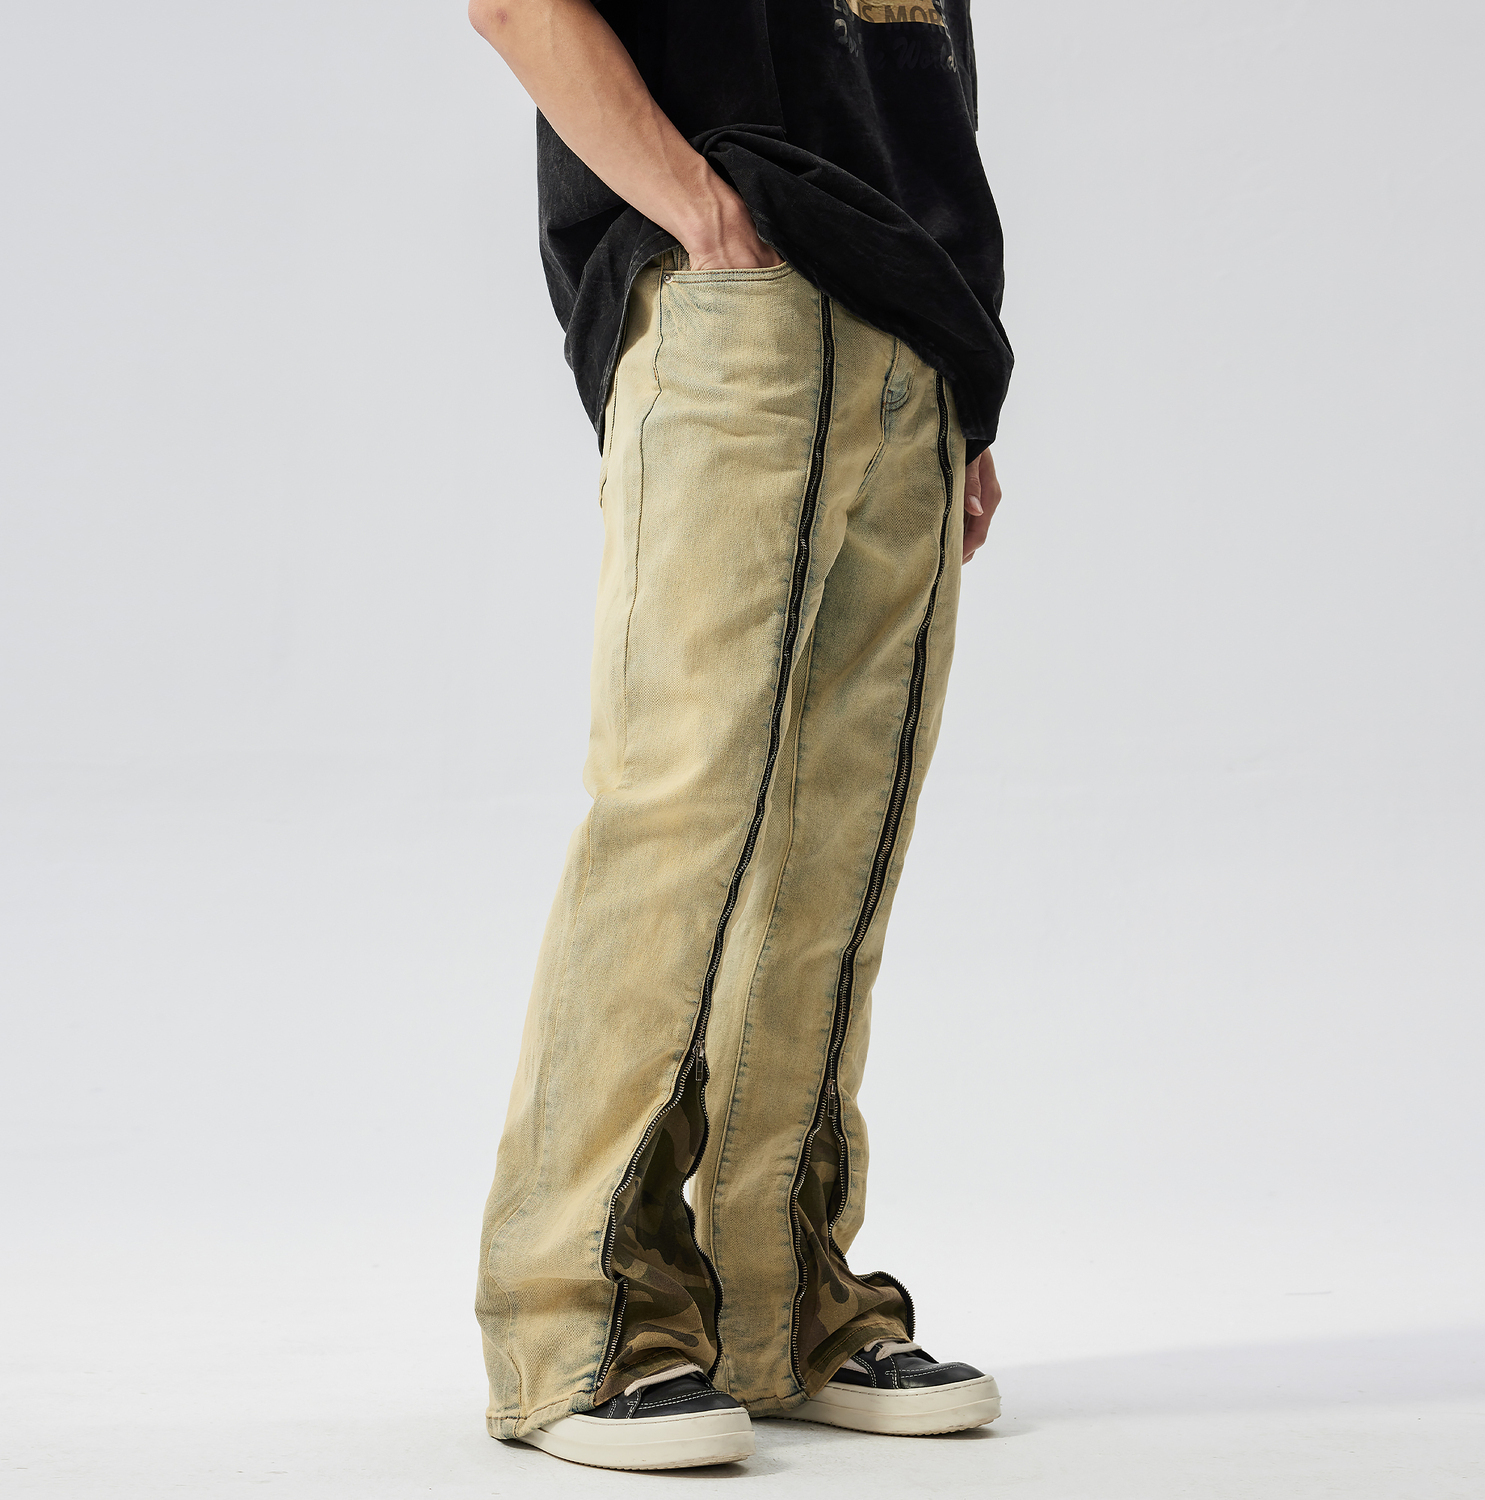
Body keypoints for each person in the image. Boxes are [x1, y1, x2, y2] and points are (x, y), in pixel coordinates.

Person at [469, 0, 1012, 1471]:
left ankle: (781, 1306)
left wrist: (962, 376)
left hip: (915, 336)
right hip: (735, 299)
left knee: (842, 845)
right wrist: (701, 215)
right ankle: (575, 1321)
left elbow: (921, 75)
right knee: (682, 813)